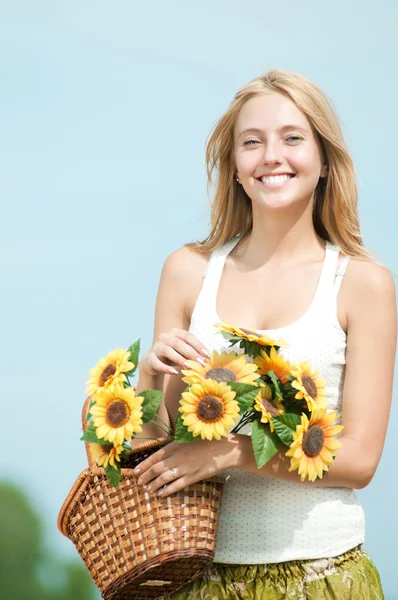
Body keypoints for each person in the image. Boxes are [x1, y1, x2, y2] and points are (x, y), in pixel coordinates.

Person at [132, 69, 396, 599]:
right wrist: (149, 375)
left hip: (324, 576)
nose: (271, 156)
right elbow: (149, 448)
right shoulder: (187, 271)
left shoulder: (363, 284)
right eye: (251, 142)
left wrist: (235, 452)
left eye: (292, 138)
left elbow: (360, 461)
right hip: (197, 579)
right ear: (233, 167)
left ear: (324, 161)